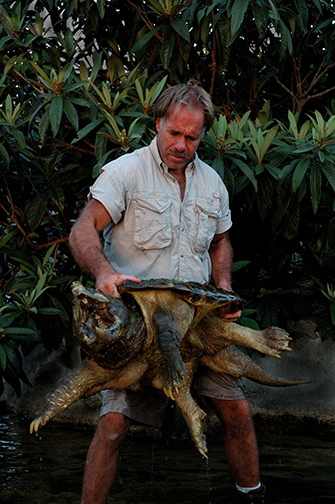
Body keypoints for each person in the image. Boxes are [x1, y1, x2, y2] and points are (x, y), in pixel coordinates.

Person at [69, 83, 267, 504]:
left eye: (191, 137)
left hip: (197, 323)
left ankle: (252, 497)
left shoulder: (212, 183)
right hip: (138, 329)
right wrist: (103, 271)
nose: (181, 145)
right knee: (113, 426)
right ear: (158, 123)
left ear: (202, 136)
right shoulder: (126, 172)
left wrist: (225, 284)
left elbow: (220, 242)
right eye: (174, 133)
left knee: (238, 411)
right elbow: (82, 230)